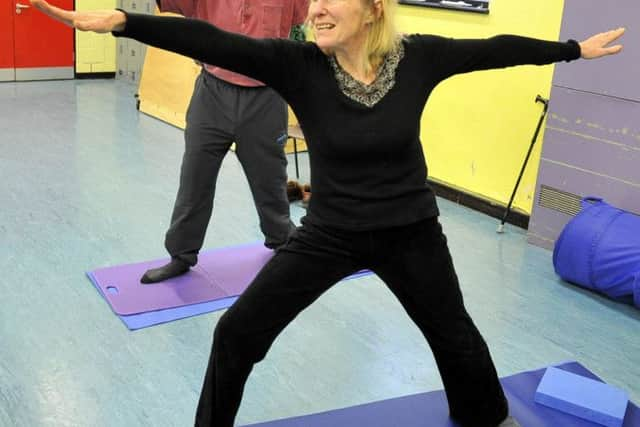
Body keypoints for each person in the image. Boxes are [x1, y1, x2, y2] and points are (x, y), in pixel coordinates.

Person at [30, 0, 624, 425]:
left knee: (456, 337)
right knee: (236, 333)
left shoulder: (418, 58)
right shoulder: (300, 66)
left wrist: (572, 49)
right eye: (311, 0)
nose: (313, 9)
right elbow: (214, 43)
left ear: (372, 10)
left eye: (328, 0)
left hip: (411, 231)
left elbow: (493, 50)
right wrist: (124, 22)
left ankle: (488, 417)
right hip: (330, 233)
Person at [138, 0, 308, 283]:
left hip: (266, 95)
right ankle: (180, 254)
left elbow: (300, 19)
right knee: (195, 178)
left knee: (270, 180)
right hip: (212, 94)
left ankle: (283, 240)